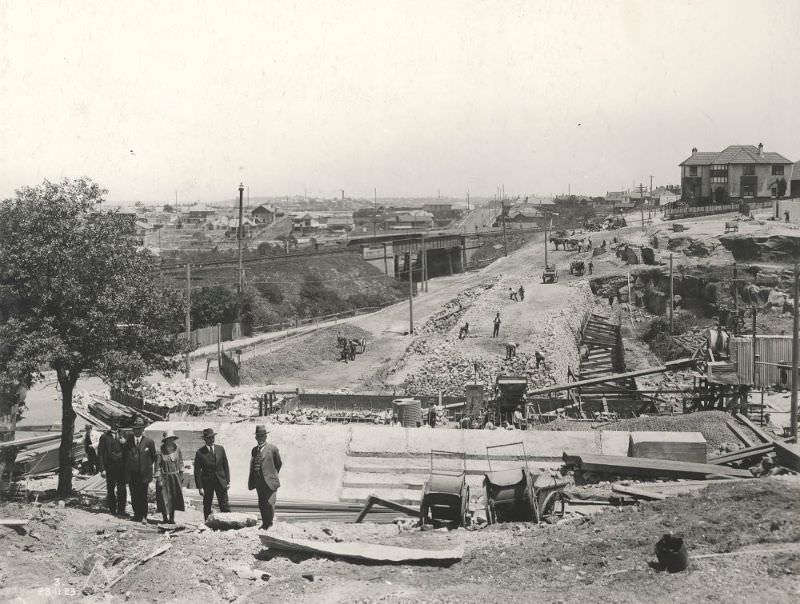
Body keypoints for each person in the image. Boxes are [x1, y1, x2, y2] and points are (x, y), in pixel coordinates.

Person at [248, 424, 282, 530]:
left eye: (262, 436)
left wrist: (272, 475)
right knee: (262, 503)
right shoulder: (254, 450)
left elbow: (279, 464)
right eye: (258, 436)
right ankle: (265, 523)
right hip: (258, 482)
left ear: (266, 436)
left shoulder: (272, 449)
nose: (260, 438)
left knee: (270, 503)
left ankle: (270, 523)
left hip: (270, 481)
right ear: (256, 438)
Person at [124, 417, 157, 524]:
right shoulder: (128, 442)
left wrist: (145, 467)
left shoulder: (149, 442)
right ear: (133, 430)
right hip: (132, 474)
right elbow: (125, 456)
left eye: (139, 429)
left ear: (143, 430)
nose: (137, 431)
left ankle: (143, 516)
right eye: (135, 429)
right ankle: (136, 515)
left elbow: (153, 457)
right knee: (134, 494)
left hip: (144, 474)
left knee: (143, 495)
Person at [194, 427, 231, 520]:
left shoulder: (220, 449)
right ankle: (207, 523)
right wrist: (200, 487)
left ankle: (227, 522)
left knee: (224, 503)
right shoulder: (200, 453)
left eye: (213, 437)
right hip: (207, 482)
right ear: (205, 439)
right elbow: (197, 471)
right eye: (209, 438)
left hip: (221, 481)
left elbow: (225, 465)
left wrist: (228, 481)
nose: (211, 440)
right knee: (207, 504)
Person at [97, 419, 127, 516]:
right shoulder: (104, 437)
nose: (116, 424)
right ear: (110, 423)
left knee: (122, 488)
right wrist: (102, 469)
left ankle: (121, 510)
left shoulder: (123, 435)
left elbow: (129, 451)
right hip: (110, 467)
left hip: (122, 467)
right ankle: (112, 510)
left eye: (118, 422)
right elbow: (100, 454)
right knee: (110, 489)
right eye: (114, 422)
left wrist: (125, 443)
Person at [154, 430, 184, 524]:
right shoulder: (160, 451)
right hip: (164, 477)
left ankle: (172, 518)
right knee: (164, 497)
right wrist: (159, 479)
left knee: (174, 497)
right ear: (165, 440)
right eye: (168, 439)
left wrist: (181, 474)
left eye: (172, 439)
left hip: (174, 477)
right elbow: (157, 466)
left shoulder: (177, 448)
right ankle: (164, 518)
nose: (170, 441)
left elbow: (181, 462)